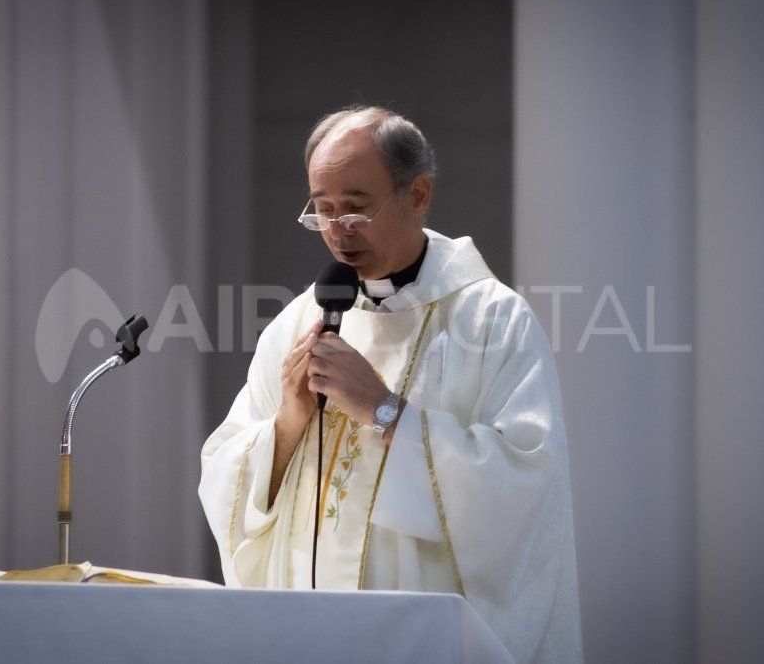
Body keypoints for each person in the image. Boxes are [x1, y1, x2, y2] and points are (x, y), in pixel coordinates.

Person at [198, 106, 582, 663]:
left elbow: (526, 484)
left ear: (418, 195)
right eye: (323, 210)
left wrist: (384, 410)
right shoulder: (297, 322)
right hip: (308, 634)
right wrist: (287, 424)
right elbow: (224, 472)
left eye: (355, 208)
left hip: (418, 636)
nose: (338, 230)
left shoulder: (491, 320)